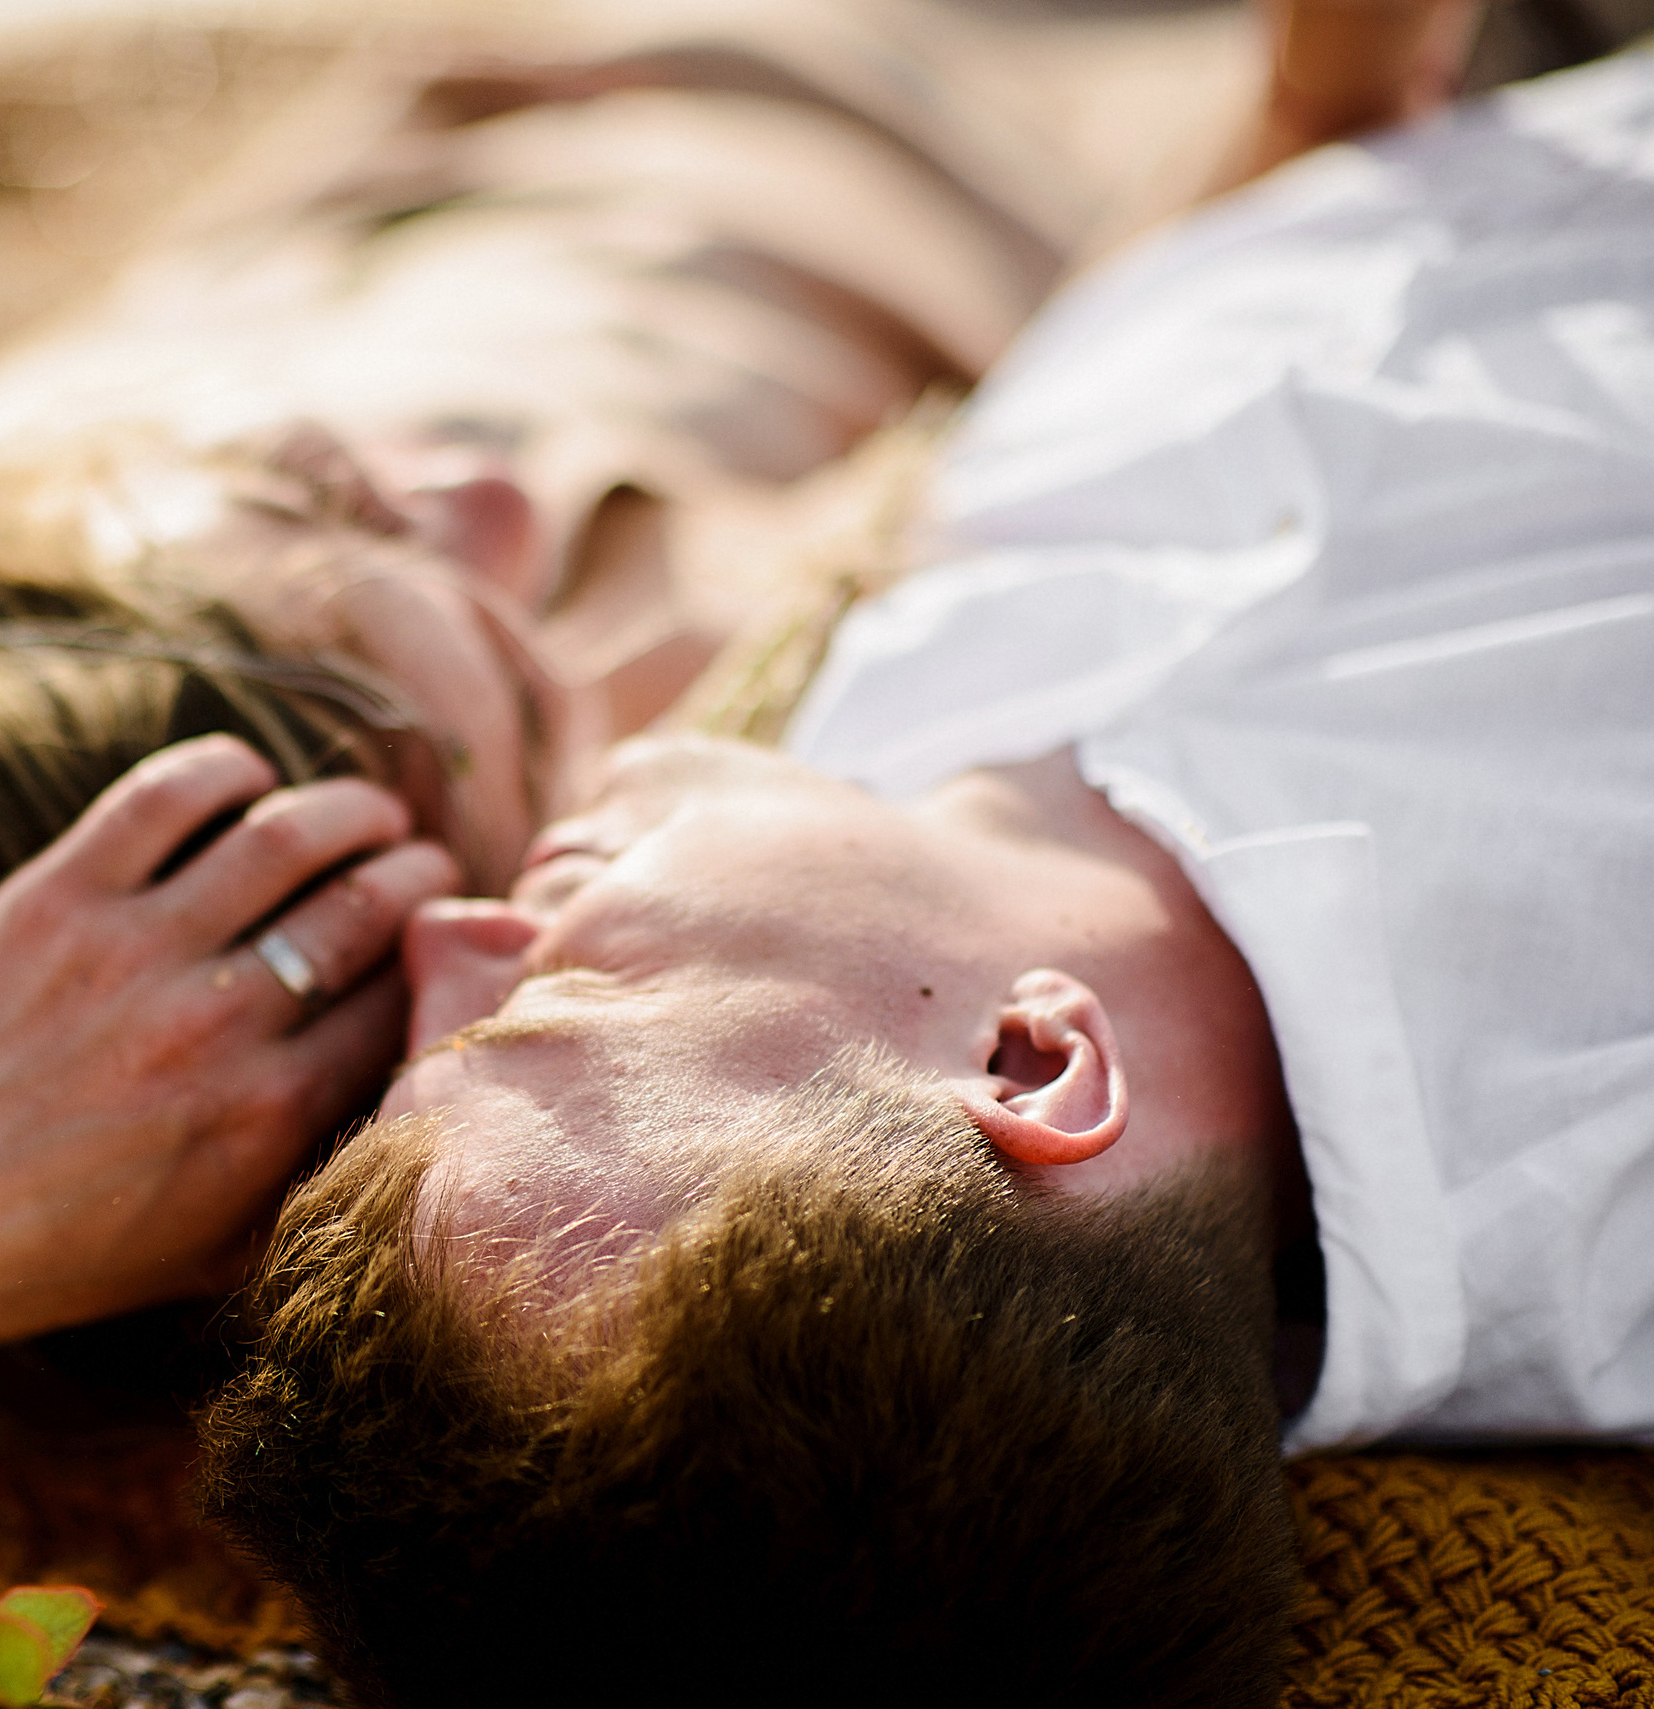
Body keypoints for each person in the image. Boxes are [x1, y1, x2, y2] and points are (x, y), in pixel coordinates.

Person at [0, 0, 1279, 1405]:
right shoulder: (754, 761)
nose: (502, 491)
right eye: (508, 665)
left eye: (308, 501)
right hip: (980, 93)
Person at [197, 32, 1654, 1709]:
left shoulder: (878, 824)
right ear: (1033, 1058)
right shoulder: (1597, 1040)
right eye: (555, 1000)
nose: (452, 923)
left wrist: (1316, 114)